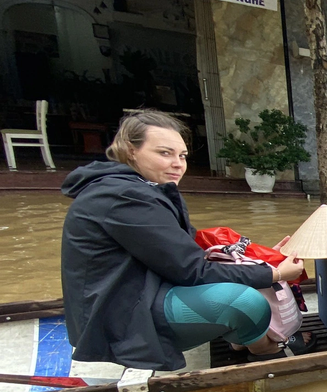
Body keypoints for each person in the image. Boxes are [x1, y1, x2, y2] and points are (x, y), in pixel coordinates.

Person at [60, 111, 308, 371]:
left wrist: (263, 259)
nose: (178, 164)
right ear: (131, 151)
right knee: (246, 300)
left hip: (141, 292)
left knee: (248, 276)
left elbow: (183, 254)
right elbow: (193, 270)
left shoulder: (137, 189)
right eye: (164, 153)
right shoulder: (125, 197)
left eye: (182, 156)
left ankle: (241, 340)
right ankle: (265, 350)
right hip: (123, 317)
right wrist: (275, 273)